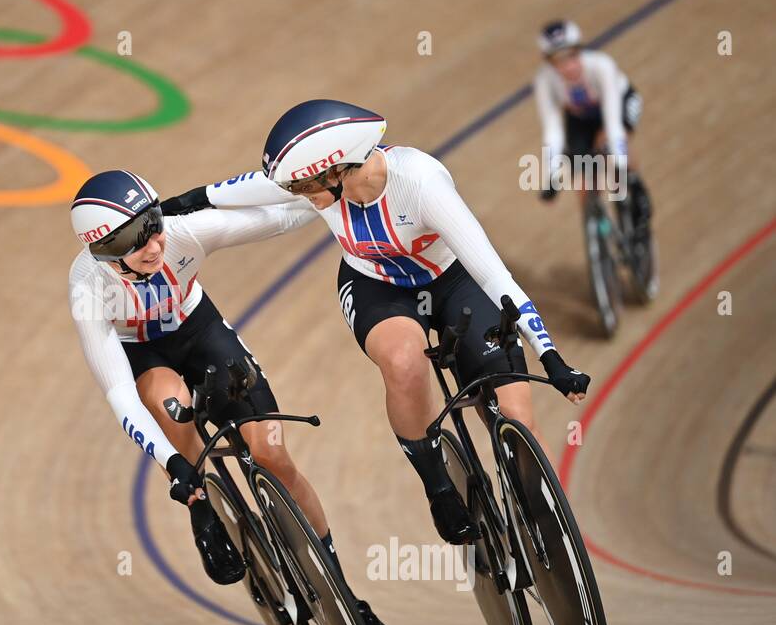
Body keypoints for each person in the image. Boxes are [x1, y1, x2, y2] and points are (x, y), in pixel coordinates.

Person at [160, 100, 592, 545]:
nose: (300, 194)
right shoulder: (322, 186)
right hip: (376, 287)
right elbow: (258, 186)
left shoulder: (420, 181)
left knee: (517, 414)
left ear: (337, 170)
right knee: (405, 363)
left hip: (455, 280)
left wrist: (550, 355)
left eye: (305, 184)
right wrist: (187, 202)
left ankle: (551, 529)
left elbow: (493, 274)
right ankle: (438, 487)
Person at [68, 168, 389, 625]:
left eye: (153, 222)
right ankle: (204, 505)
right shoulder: (87, 288)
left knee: (271, 454)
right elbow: (120, 395)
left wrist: (330, 187)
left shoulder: (183, 232)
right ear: (108, 255)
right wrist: (175, 468)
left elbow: (282, 215)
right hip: (145, 354)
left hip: (201, 331)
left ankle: (340, 589)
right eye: (137, 240)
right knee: (169, 403)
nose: (154, 244)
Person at [533, 19, 652, 244]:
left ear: (580, 50)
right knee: (583, 176)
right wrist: (551, 175)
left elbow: (613, 122)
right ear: (549, 63)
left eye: (571, 56)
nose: (568, 66)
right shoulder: (544, 81)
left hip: (618, 104)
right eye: (559, 60)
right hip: (581, 117)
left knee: (609, 144)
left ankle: (637, 188)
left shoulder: (602, 66)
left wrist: (619, 162)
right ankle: (599, 234)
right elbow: (552, 130)